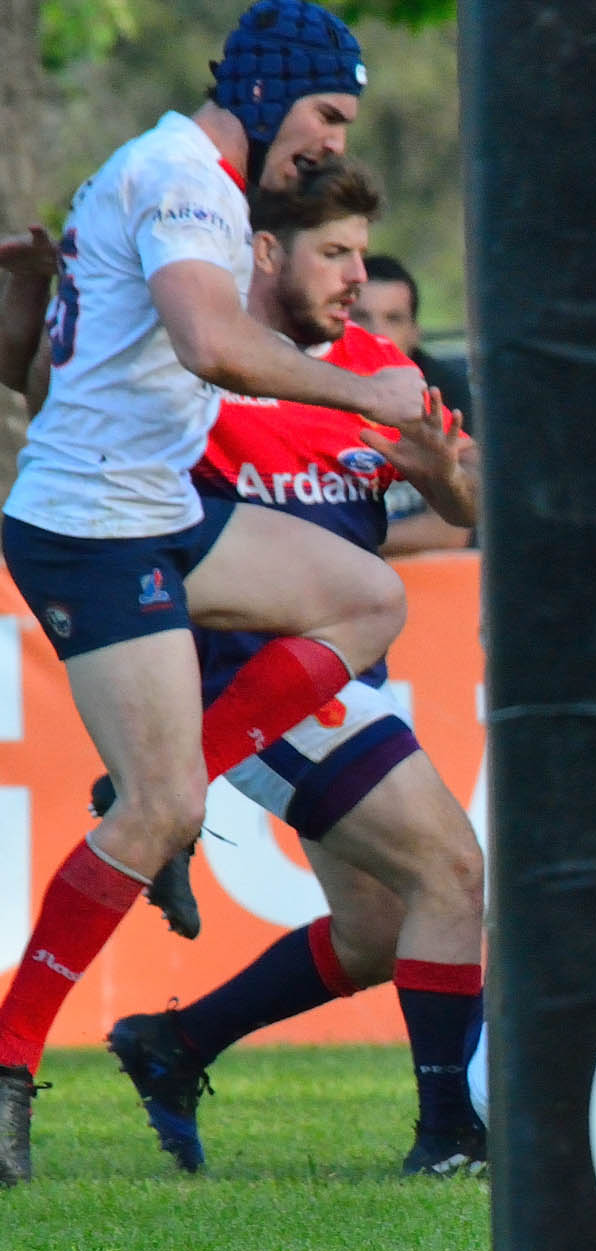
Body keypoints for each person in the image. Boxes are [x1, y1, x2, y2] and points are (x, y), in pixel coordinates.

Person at [0, 0, 429, 1188]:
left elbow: (34, 371)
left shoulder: (152, 173)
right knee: (154, 813)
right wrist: (368, 397)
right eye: (326, 113)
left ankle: (178, 774)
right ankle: (8, 1065)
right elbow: (209, 345)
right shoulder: (187, 180)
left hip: (158, 506)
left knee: (366, 598)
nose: (333, 144)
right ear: (266, 91)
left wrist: (32, 295)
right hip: (95, 523)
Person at [89, 159, 481, 1178]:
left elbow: (475, 505)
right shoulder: (203, 366)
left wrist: (438, 469)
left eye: (361, 251)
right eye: (335, 253)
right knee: (453, 871)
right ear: (265, 253)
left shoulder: (374, 371)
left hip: (336, 676)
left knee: (379, 932)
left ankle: (174, 1046)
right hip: (242, 673)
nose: (357, 275)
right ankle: (449, 1143)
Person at [351, 254, 477, 556]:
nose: (377, 334)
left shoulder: (446, 393)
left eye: (393, 319)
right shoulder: (302, 388)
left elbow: (451, 532)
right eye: (360, 317)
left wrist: (337, 538)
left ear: (415, 332)